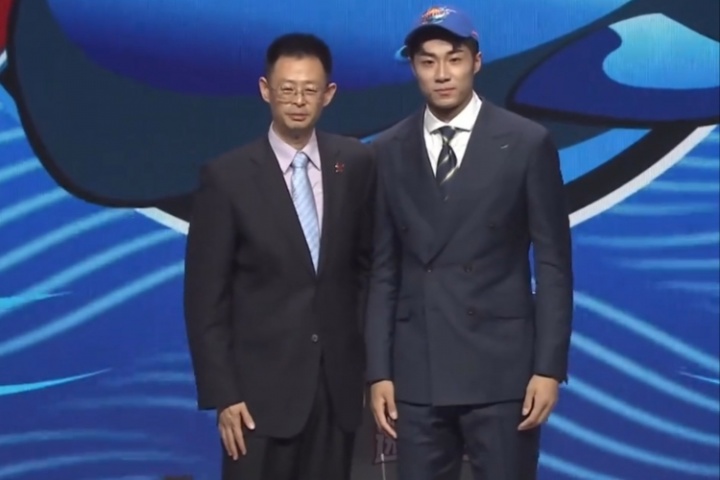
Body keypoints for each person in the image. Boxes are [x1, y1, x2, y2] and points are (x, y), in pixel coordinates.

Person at [365, 6, 574, 480]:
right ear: (413, 68)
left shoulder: (525, 142)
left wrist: (547, 368)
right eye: (428, 61)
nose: (442, 74)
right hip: (418, 373)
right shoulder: (387, 150)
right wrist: (379, 371)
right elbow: (383, 269)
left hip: (502, 372)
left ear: (476, 62)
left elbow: (554, 265)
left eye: (454, 59)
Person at [183, 33, 374, 480]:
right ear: (265, 90)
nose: (298, 101)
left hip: (336, 392)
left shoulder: (356, 163)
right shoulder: (227, 177)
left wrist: (365, 365)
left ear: (329, 94)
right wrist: (224, 394)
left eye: (309, 90)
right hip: (256, 400)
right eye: (287, 89)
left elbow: (366, 269)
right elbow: (205, 299)